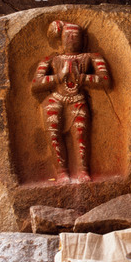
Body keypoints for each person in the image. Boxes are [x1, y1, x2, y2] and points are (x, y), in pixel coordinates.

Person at [32, 21, 111, 185]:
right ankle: (62, 172)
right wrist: (58, 77)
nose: (72, 39)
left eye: (76, 36)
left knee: (81, 135)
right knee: (53, 134)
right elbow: (36, 84)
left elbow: (105, 81)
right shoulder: (50, 59)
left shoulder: (92, 57)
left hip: (78, 99)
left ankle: (83, 170)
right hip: (56, 98)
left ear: (84, 39)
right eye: (68, 35)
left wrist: (82, 77)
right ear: (61, 39)